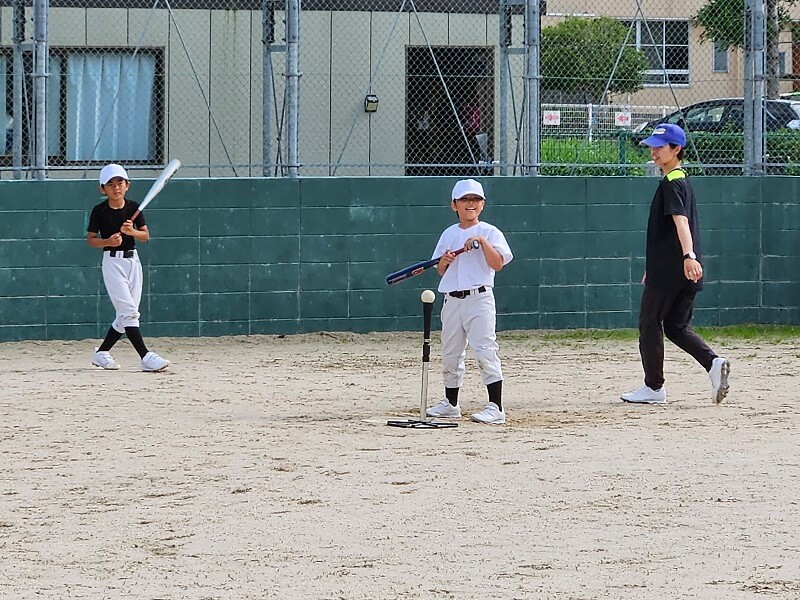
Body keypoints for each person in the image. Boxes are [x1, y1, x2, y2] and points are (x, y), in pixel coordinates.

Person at [621, 124, 729, 405]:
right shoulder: (682, 180)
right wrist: (673, 261)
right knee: (676, 326)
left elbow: (681, 222)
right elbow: (673, 230)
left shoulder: (671, 182)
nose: (654, 152)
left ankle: (653, 388)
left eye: (660, 147)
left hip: (675, 268)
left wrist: (688, 256)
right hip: (679, 268)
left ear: (677, 149)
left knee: (649, 322)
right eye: (652, 146)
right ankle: (714, 363)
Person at [425, 179, 513, 424]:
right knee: (451, 352)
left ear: (482, 204)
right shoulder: (449, 233)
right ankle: (450, 403)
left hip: (479, 298)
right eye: (464, 199)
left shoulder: (490, 232)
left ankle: (496, 407)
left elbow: (498, 264)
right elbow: (440, 269)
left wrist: (482, 243)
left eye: (475, 199)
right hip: (452, 299)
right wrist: (445, 261)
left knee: (485, 350)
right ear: (454, 205)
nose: (470, 204)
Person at [86, 163, 170, 372]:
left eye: (120, 183)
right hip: (112, 262)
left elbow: (146, 236)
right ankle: (146, 356)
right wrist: (107, 241)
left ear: (127, 185)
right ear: (102, 189)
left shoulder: (134, 208)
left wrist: (131, 232)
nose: (116, 188)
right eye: (110, 184)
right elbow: (91, 240)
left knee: (125, 315)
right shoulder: (99, 211)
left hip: (133, 262)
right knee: (129, 312)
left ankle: (101, 353)